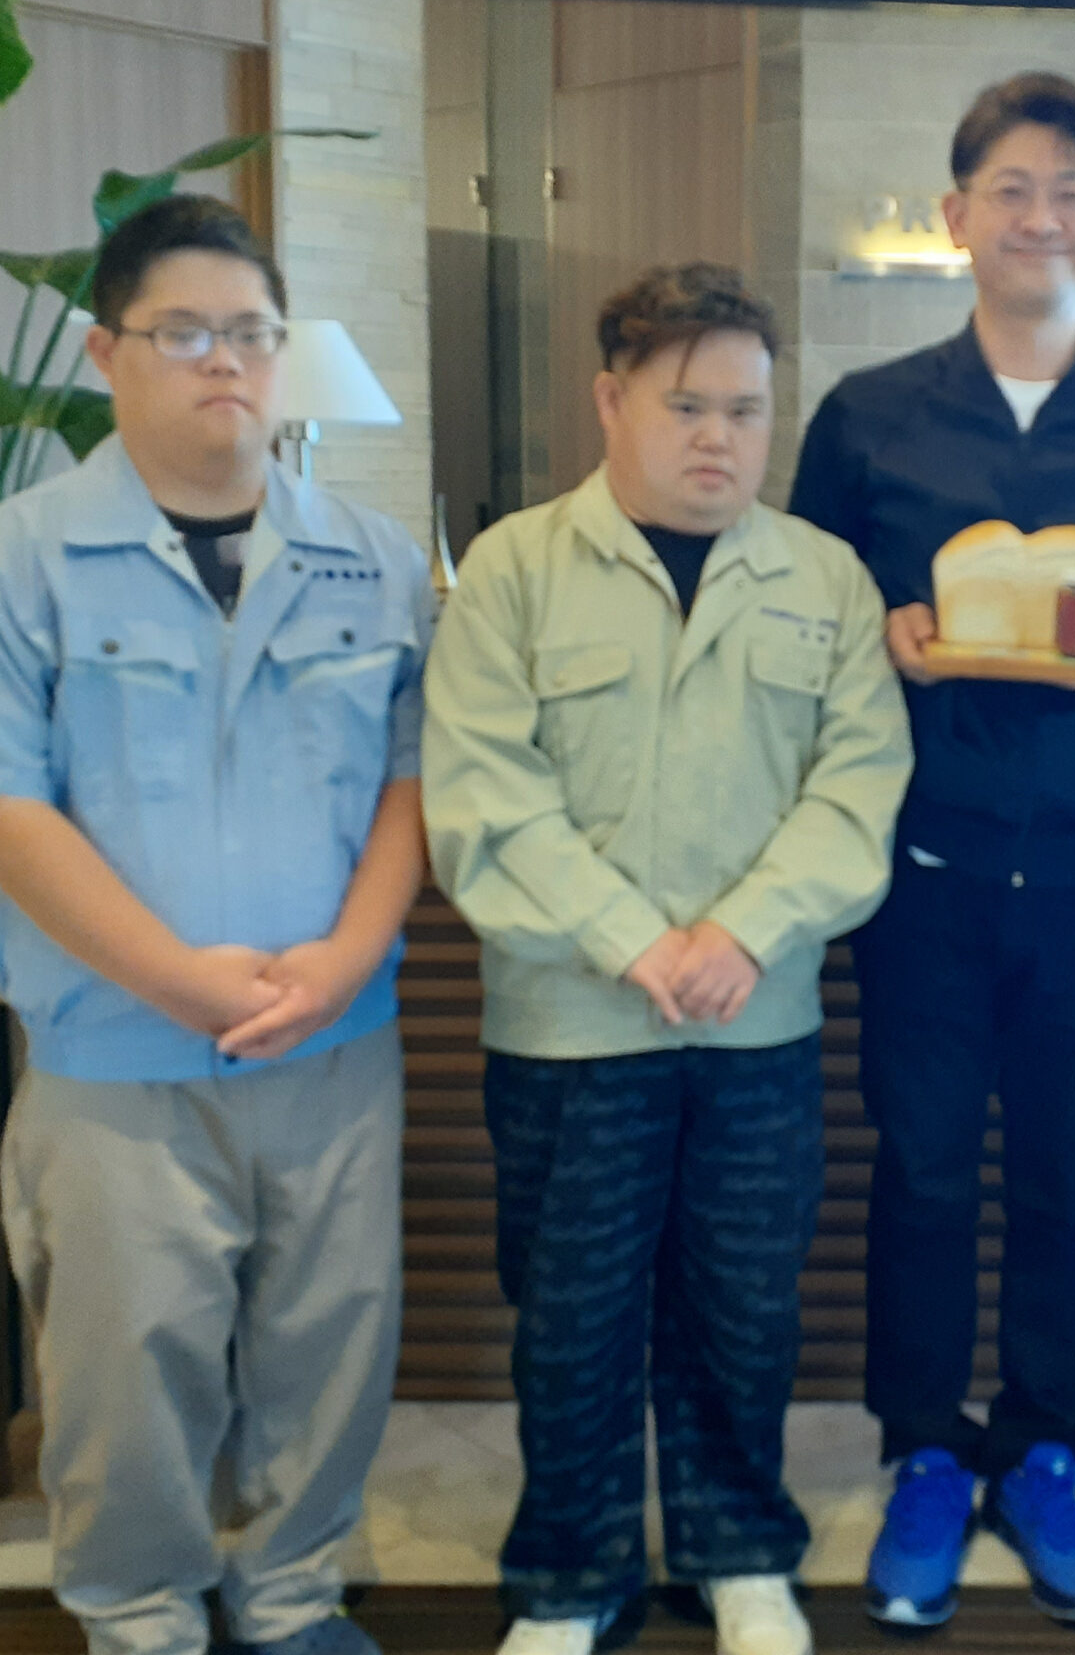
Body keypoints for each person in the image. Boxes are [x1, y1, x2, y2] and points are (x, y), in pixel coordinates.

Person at [0, 195, 431, 1655]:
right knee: (125, 1361)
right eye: (183, 333)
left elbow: (411, 782)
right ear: (105, 353)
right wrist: (182, 980)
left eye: (252, 332)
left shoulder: (371, 560)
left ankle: (295, 1597)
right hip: (117, 1051)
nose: (225, 363)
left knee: (332, 1340)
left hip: (333, 1041)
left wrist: (349, 958)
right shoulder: (10, 562)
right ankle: (140, 1616)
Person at [788, 70, 1075, 1631]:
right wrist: (881, 640)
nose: (1043, 217)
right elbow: (805, 623)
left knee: (1066, 1174)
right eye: (1014, 190)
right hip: (923, 869)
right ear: (955, 217)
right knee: (918, 1170)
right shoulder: (869, 419)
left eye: (1073, 192)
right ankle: (923, 1449)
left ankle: (1046, 1450)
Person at [421, 265, 912, 1655]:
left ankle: (736, 1549)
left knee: (744, 1307)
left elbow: (858, 785)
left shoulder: (824, 578)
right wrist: (636, 941)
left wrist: (742, 932)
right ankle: (569, 1577)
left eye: (746, 411)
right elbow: (485, 796)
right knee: (569, 1319)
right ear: (610, 400)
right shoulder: (513, 569)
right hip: (569, 1024)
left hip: (758, 1019)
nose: (718, 438)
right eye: (685, 404)